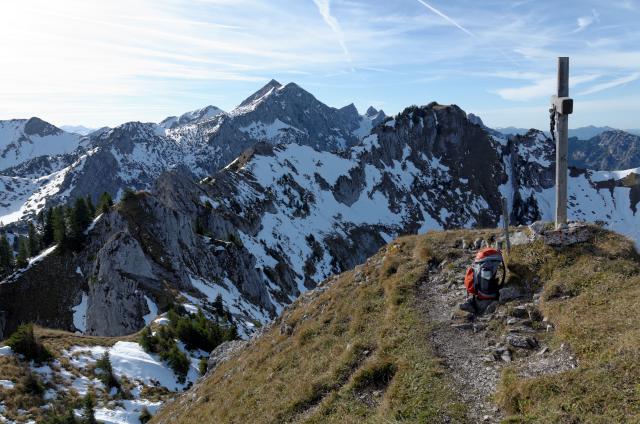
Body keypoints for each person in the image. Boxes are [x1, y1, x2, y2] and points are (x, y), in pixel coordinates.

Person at [459, 247, 505, 314]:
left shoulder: (481, 264)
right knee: (486, 274)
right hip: (486, 294)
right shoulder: (488, 265)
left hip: (479, 291)